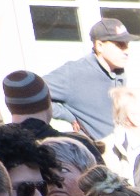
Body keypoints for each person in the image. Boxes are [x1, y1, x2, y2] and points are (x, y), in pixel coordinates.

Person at [43, 18, 133, 151]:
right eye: (120, 45)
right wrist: (66, 115)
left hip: (124, 149)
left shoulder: (119, 72)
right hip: (96, 153)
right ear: (99, 46)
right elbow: (31, 92)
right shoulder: (74, 72)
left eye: (127, 44)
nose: (126, 51)